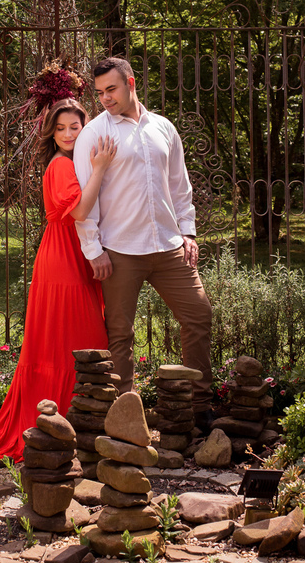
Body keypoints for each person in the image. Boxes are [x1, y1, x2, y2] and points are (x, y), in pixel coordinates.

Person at [0, 98, 117, 463]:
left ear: (86, 127)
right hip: (63, 260)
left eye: (74, 127)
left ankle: (77, 423)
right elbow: (79, 210)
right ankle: (58, 422)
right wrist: (100, 168)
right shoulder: (60, 165)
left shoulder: (75, 162)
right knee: (78, 340)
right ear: (51, 133)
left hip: (74, 254)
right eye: (60, 128)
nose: (67, 134)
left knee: (74, 339)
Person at [72, 57, 215, 424]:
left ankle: (198, 407)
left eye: (111, 89)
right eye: (99, 92)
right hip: (120, 251)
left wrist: (187, 231)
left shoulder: (163, 128)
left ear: (131, 83)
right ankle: (126, 417)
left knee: (199, 315)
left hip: (169, 247)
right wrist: (93, 249)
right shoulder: (94, 134)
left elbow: (180, 186)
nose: (105, 98)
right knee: (120, 334)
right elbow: (86, 198)